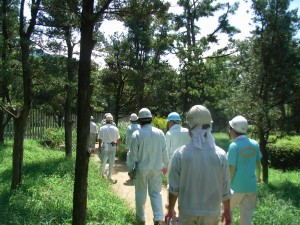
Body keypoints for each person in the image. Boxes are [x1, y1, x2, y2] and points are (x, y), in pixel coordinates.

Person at [166, 105, 231, 225]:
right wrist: (227, 210)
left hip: (187, 212)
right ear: (210, 127)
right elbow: (225, 187)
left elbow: (174, 188)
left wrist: (170, 210)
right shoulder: (221, 155)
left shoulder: (180, 154)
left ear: (190, 128)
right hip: (211, 213)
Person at [128, 108, 168, 225]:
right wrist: (165, 165)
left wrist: (131, 169)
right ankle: (158, 218)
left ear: (139, 121)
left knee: (141, 192)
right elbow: (164, 151)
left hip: (141, 168)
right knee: (156, 193)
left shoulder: (137, 134)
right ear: (150, 119)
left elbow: (132, 155)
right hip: (157, 168)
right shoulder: (159, 133)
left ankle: (141, 219)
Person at [227, 115, 262, 225]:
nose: (229, 131)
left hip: (235, 188)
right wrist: (258, 178)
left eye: (230, 128)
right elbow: (258, 164)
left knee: (227, 213)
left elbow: (231, 169)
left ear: (233, 130)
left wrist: (227, 185)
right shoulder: (254, 144)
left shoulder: (234, 146)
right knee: (246, 218)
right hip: (251, 187)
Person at [165, 112, 190, 185]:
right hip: (186, 160)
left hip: (173, 162)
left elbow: (167, 150)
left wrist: (165, 166)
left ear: (171, 122)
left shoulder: (169, 133)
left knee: (172, 186)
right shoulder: (187, 131)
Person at [98, 114, 120, 184]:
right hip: (113, 146)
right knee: (111, 162)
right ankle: (109, 176)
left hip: (105, 145)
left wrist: (99, 146)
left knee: (103, 161)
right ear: (111, 121)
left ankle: (101, 175)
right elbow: (118, 139)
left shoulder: (102, 128)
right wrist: (118, 146)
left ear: (106, 120)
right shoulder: (115, 128)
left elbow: (100, 139)